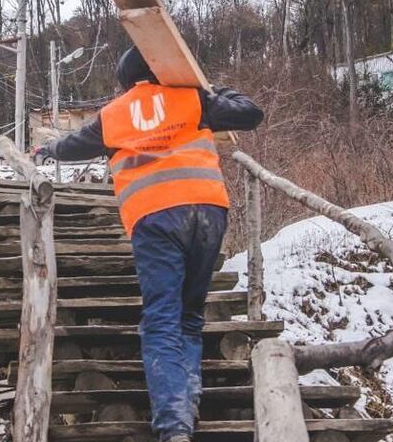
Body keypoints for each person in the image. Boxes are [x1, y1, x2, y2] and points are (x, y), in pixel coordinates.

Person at [35, 46, 264, 442]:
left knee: (161, 318)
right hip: (209, 212)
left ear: (125, 81)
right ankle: (186, 401)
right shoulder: (192, 98)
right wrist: (206, 86)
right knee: (189, 316)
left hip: (155, 217)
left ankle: (174, 427)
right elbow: (249, 112)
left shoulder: (114, 114)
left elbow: (72, 146)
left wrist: (45, 149)